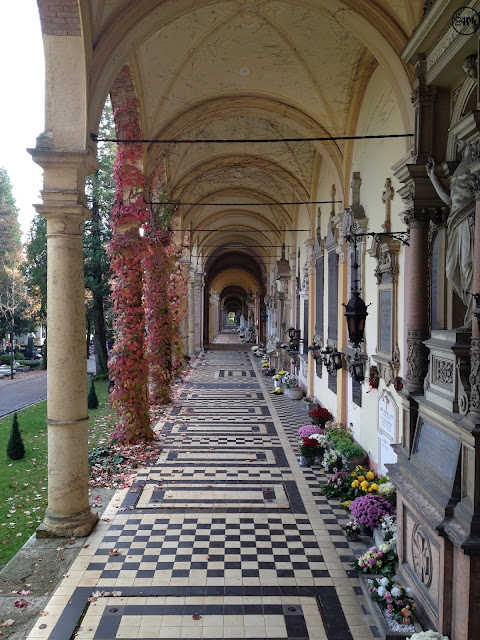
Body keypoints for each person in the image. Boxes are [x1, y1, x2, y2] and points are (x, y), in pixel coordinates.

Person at [426, 140, 474, 324]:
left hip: (469, 219)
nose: (458, 141)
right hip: (456, 222)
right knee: (451, 270)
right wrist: (433, 177)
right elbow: (450, 200)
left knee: (468, 266)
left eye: (461, 139)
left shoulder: (474, 159)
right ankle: (471, 306)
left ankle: (473, 313)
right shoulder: (462, 165)